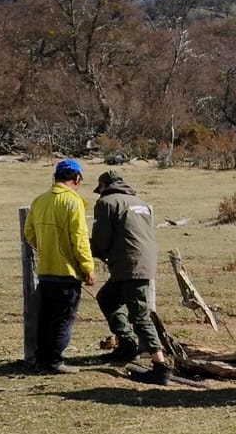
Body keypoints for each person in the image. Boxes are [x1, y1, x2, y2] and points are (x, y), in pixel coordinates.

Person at [91, 170, 171, 386]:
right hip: (143, 261)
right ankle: (127, 346)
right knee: (107, 298)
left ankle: (160, 366)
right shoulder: (140, 202)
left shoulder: (106, 203)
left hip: (129, 265)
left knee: (140, 315)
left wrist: (84, 250)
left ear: (104, 187)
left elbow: (101, 240)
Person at [23, 159, 96, 374]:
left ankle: (42, 359)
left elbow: (29, 233)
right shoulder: (74, 203)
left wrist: (45, 248)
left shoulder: (39, 201)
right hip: (67, 272)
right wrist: (88, 267)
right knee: (63, 319)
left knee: (46, 318)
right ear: (76, 179)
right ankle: (54, 361)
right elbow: (80, 239)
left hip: (46, 271)